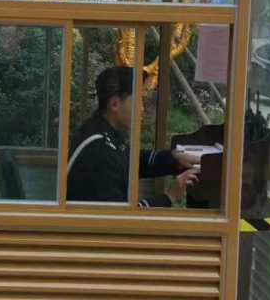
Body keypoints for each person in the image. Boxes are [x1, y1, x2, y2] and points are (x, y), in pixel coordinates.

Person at [67, 66, 200, 207]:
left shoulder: (102, 131)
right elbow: (121, 216)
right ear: (114, 104)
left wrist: (174, 159)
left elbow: (132, 161)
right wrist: (170, 196)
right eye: (138, 100)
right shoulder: (99, 150)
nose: (142, 108)